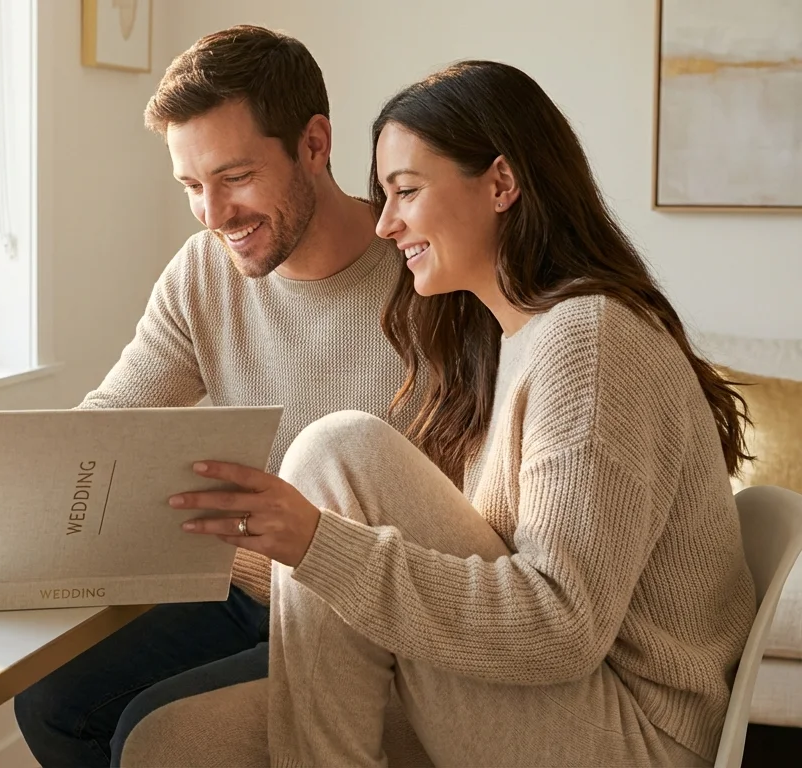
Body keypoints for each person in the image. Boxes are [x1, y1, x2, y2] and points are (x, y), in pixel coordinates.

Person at [123, 60, 758, 767]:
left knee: (337, 449)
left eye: (406, 192)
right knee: (166, 742)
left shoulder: (591, 341)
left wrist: (316, 544)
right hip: (546, 692)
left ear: (501, 184)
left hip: (630, 731)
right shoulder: (520, 338)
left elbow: (561, 629)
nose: (387, 224)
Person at [13, 25, 416, 768]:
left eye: (234, 177)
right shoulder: (205, 271)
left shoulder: (421, 279)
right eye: (192, 186)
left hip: (358, 610)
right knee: (49, 703)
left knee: (148, 727)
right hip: (245, 591)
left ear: (315, 144)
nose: (213, 214)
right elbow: (110, 423)